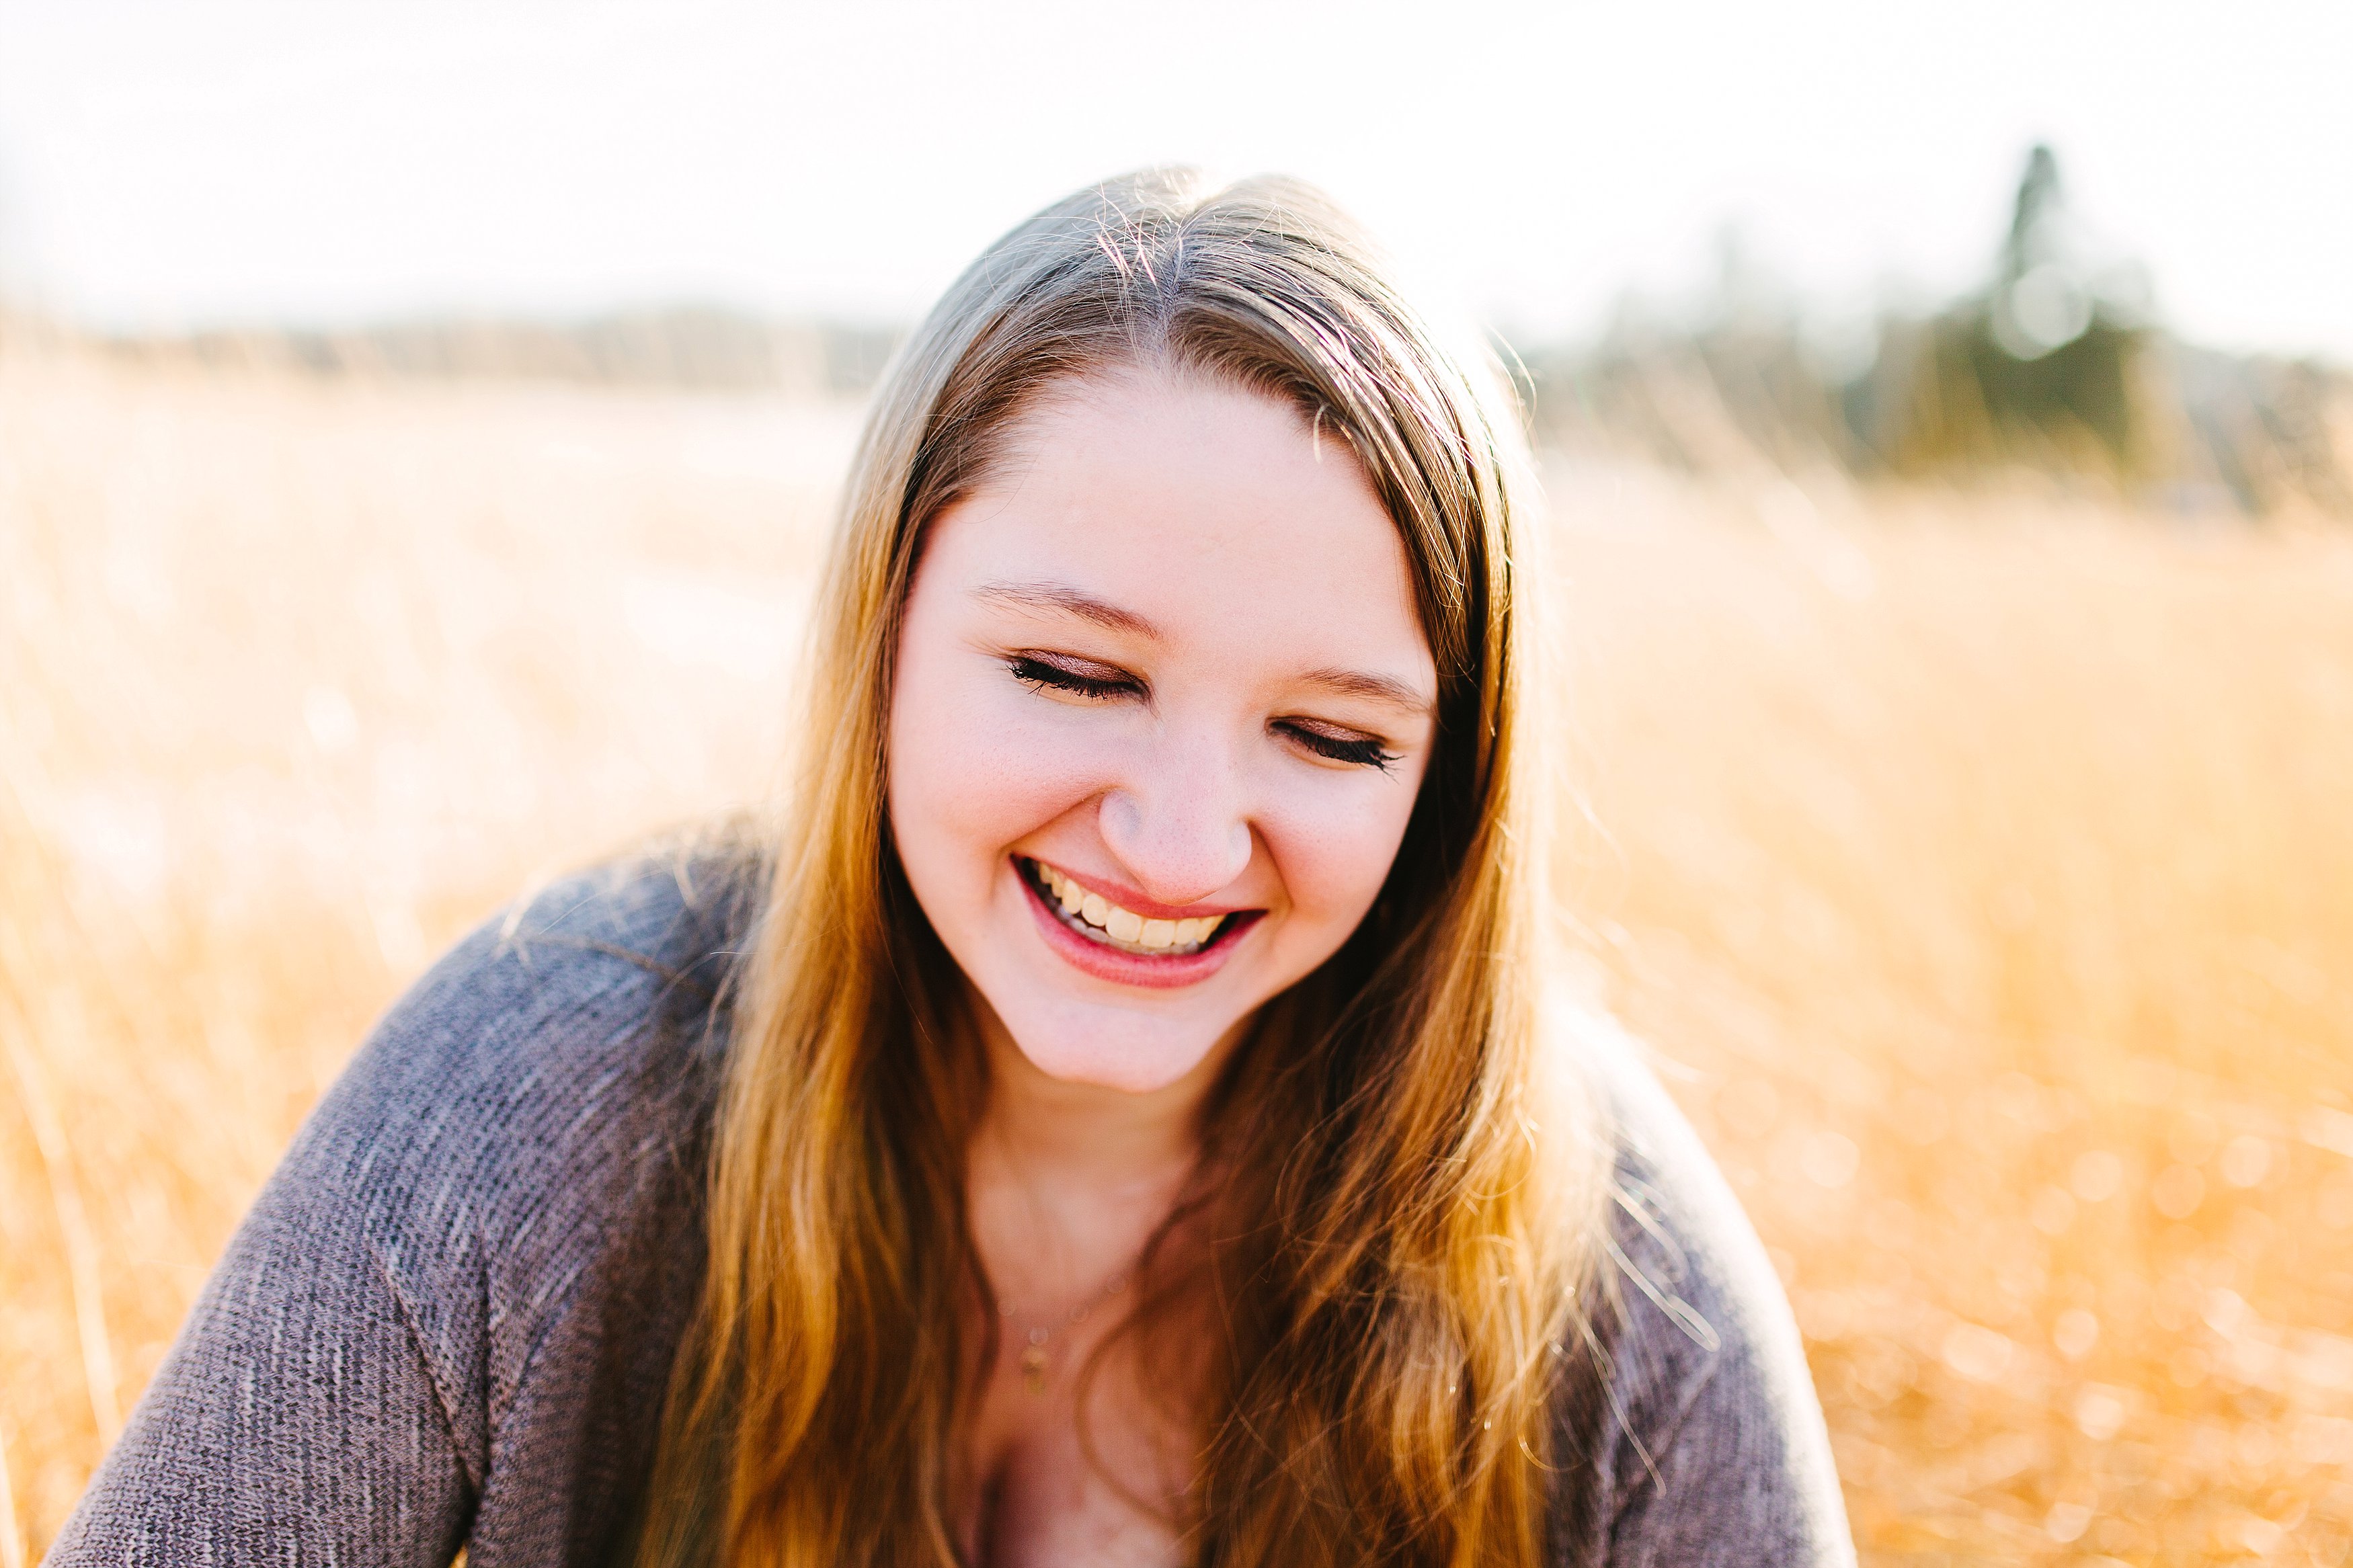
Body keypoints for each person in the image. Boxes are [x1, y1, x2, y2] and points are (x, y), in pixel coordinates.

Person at [48, 171, 1853, 1567]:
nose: (1176, 840)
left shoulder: (1614, 1278)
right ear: (883, 638)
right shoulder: (533, 1099)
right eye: (1073, 676)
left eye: (1331, 737)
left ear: (1446, 785)